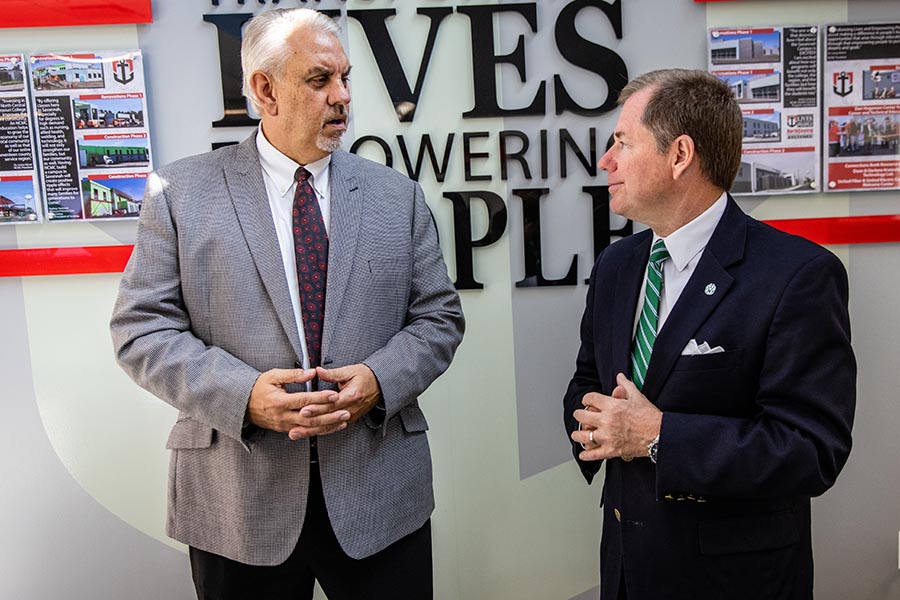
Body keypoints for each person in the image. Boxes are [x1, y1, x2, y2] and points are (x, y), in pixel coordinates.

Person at [110, 8, 464, 600]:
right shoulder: (180, 195)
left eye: (346, 79)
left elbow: (439, 318)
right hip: (237, 502)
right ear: (264, 89)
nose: (343, 98)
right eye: (321, 80)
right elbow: (140, 331)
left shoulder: (394, 196)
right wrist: (244, 396)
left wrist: (378, 380)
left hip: (379, 497)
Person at [562, 69, 855, 600]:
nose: (606, 161)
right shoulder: (617, 265)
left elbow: (812, 450)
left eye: (622, 143)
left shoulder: (799, 274)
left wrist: (656, 436)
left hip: (733, 580)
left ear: (679, 155)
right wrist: (595, 424)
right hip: (628, 570)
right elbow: (588, 378)